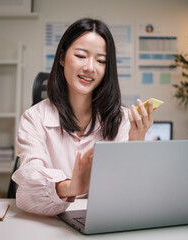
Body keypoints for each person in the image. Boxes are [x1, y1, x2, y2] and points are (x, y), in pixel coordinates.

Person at [12, 18, 156, 216]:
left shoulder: (123, 119)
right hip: (50, 226)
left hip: (108, 221)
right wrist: (70, 187)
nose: (90, 67)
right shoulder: (34, 118)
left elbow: (132, 193)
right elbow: (28, 188)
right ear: (62, 58)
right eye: (81, 56)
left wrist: (136, 141)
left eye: (101, 61)